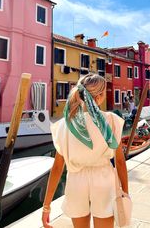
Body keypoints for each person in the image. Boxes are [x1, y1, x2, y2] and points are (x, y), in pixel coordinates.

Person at [42, 73, 129, 228]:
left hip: (76, 181)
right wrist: (125, 193)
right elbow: (120, 162)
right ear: (100, 95)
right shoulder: (111, 120)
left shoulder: (65, 124)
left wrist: (46, 206)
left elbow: (57, 167)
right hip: (104, 180)